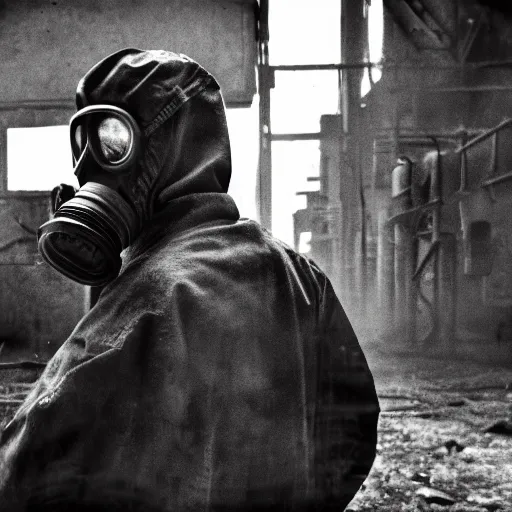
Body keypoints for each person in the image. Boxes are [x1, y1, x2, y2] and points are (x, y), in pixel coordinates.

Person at [0, 49, 379, 511]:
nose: (84, 168)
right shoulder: (302, 279)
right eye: (80, 146)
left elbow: (20, 478)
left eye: (111, 142)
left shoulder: (135, 313)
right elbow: (353, 432)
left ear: (173, 148)